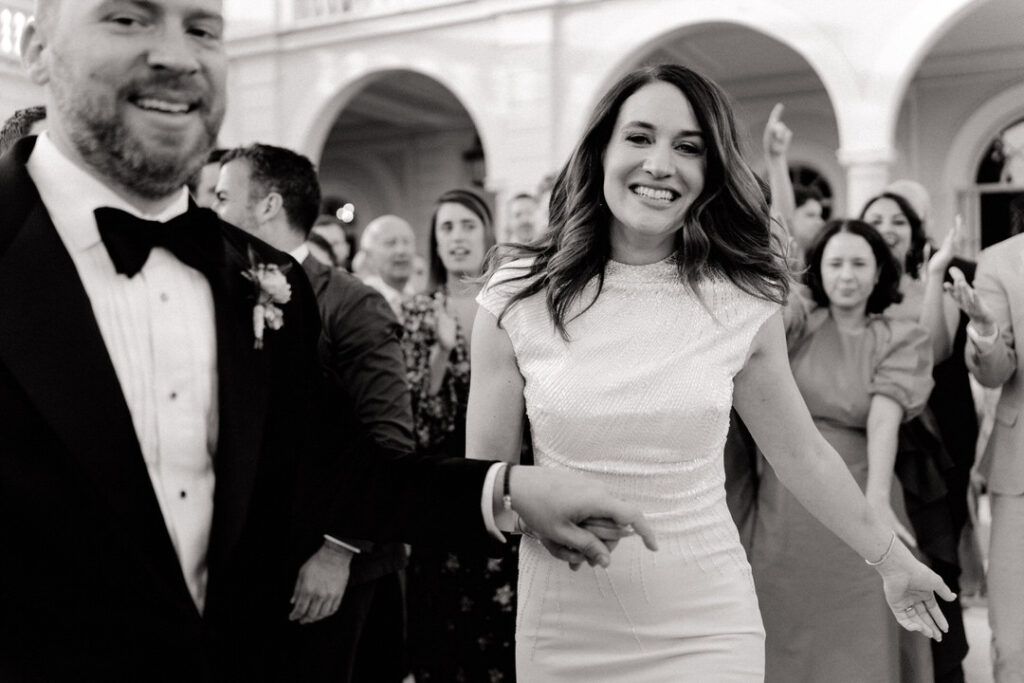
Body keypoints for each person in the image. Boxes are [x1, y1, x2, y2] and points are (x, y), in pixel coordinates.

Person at [0, 2, 657, 680]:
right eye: (129, 19)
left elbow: (338, 474)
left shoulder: (265, 278)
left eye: (202, 28)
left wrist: (511, 490)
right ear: (37, 49)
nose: (176, 55)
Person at [468, 63, 953, 681]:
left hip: (707, 616)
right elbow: (483, 480)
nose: (661, 164)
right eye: (639, 138)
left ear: (711, 172)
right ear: (600, 151)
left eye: (688, 147)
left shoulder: (742, 299)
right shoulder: (516, 297)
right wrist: (526, 505)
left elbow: (802, 454)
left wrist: (889, 559)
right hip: (566, 617)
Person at [213, 143, 412, 683]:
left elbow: (388, 438)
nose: (214, 211)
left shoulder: (353, 303)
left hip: (339, 565)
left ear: (269, 205)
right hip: (266, 560)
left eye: (224, 196)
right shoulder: (229, 290)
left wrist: (338, 551)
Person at [751, 219, 934, 682]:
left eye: (859, 263)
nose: (846, 275)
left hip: (864, 481)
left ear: (879, 273)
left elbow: (883, 420)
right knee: (788, 615)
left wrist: (872, 505)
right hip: (787, 495)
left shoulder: (900, 335)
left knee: (865, 623)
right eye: (835, 263)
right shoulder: (797, 324)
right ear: (818, 270)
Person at [399, 188, 517, 682]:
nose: (456, 237)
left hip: (509, 478)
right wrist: (442, 355)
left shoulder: (515, 304)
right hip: (444, 485)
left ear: (487, 232)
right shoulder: (416, 312)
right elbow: (413, 421)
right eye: (446, 228)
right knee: (442, 627)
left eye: (467, 224)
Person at [864, 185, 976, 681]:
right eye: (876, 218)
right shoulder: (850, 278)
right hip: (862, 440)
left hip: (932, 441)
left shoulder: (930, 279)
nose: (887, 227)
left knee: (933, 550)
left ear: (915, 231)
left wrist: (932, 275)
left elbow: (936, 350)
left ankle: (942, 663)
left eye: (898, 220)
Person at [945, 234, 1024, 683]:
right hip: (1020, 470)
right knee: (1014, 645)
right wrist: (985, 328)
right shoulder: (1001, 259)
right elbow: (994, 372)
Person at [360, 214, 417, 316]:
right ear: (369, 255)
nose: (401, 251)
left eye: (407, 242)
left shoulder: (423, 297)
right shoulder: (362, 302)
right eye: (391, 243)